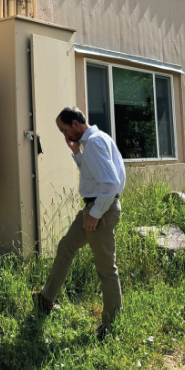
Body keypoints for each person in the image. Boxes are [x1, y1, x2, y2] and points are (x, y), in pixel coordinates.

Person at [34, 106, 126, 338]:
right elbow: (93, 175)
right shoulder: (94, 140)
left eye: (64, 130)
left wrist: (95, 213)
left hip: (100, 210)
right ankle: (46, 299)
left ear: (75, 124)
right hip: (93, 208)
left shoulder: (94, 142)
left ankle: (112, 324)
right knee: (66, 246)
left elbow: (110, 184)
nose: (64, 136)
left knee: (106, 268)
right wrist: (76, 152)